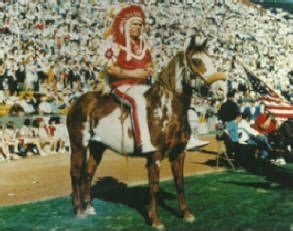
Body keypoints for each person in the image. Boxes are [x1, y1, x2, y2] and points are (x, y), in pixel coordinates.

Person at [106, 5, 154, 153]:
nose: (138, 27)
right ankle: (143, 142)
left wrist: (149, 70)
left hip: (145, 85)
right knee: (137, 101)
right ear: (126, 25)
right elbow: (110, 69)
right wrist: (134, 74)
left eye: (140, 25)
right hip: (122, 86)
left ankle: (185, 137)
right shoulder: (115, 44)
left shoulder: (144, 47)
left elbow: (149, 66)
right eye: (134, 24)